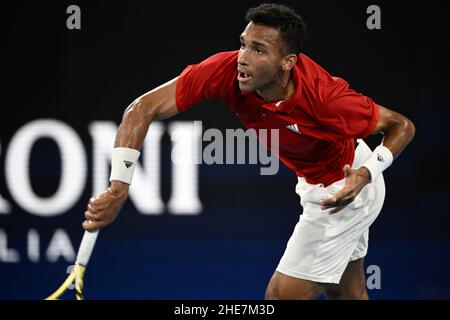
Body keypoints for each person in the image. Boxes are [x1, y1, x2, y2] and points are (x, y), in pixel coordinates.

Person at [82, 3, 415, 299]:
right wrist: (119, 185)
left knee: (282, 295)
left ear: (288, 62)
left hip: (345, 191)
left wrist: (366, 173)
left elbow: (401, 126)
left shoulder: (326, 100)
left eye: (258, 50)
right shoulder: (226, 70)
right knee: (348, 294)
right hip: (319, 184)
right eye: (243, 44)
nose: (242, 57)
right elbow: (142, 108)